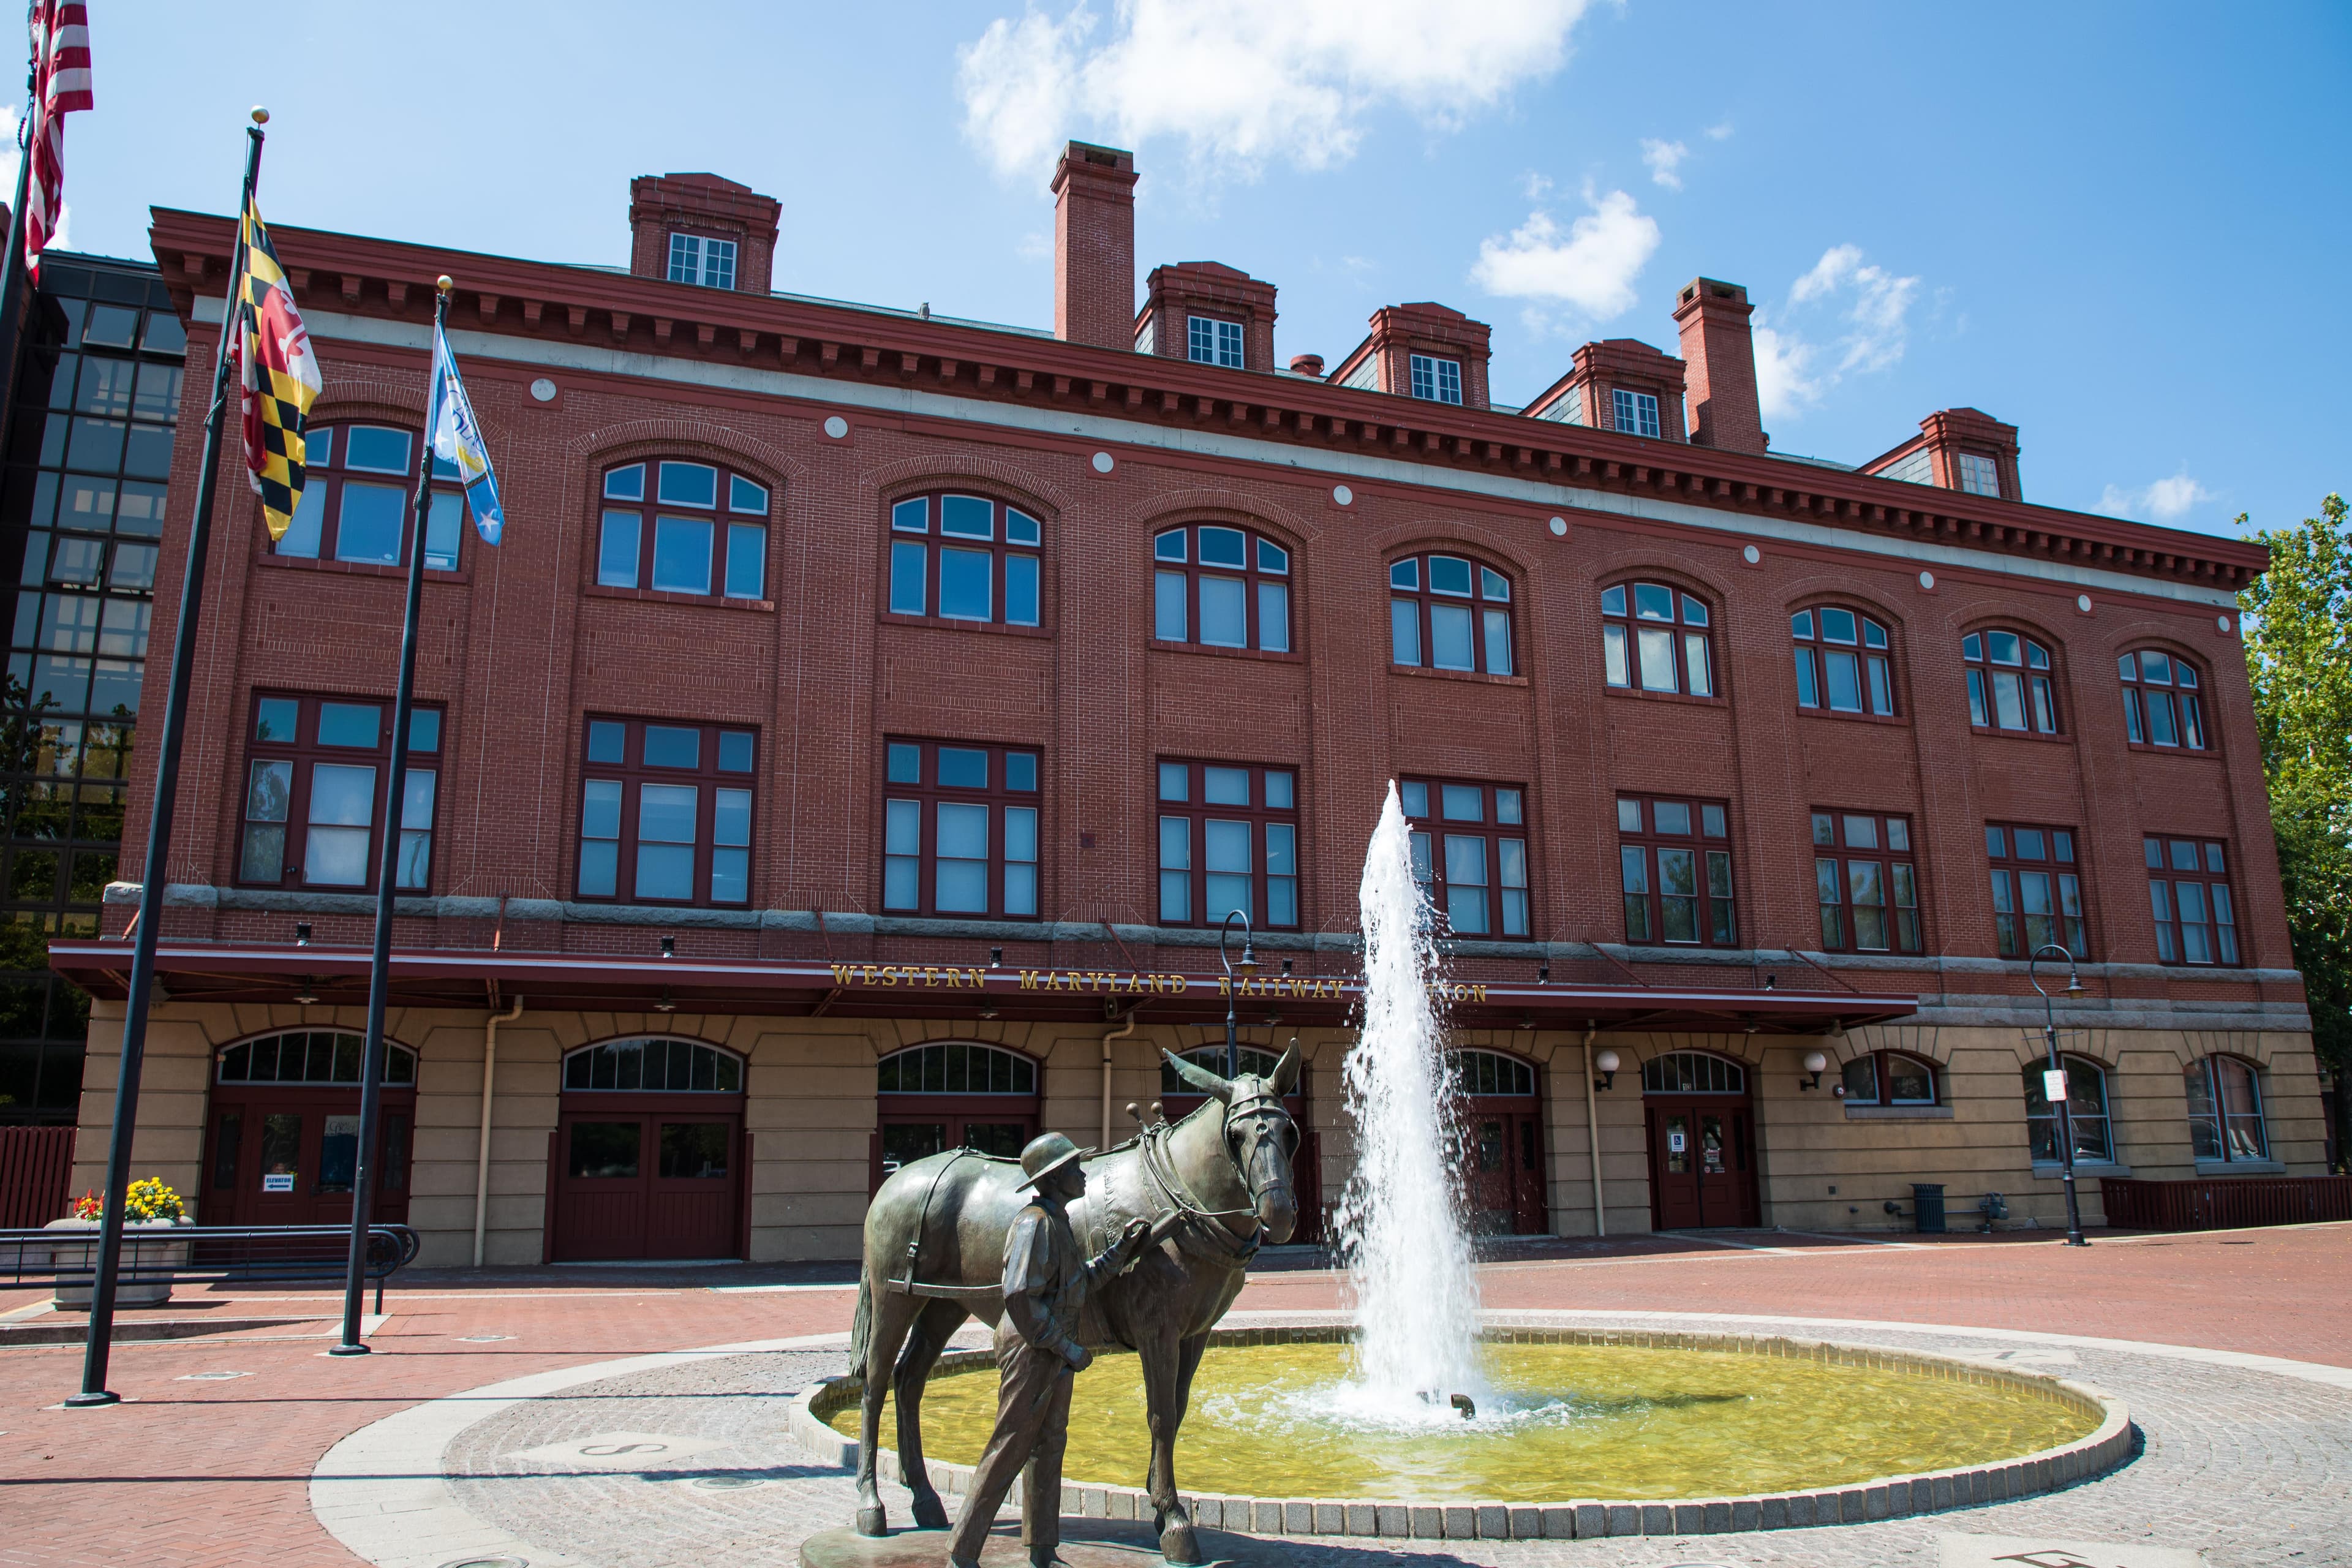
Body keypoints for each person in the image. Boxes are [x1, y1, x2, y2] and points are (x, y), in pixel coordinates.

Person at [946, 1133, 1152, 1568]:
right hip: (1032, 1345)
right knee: (1011, 1445)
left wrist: (1121, 1253)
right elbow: (1020, 1296)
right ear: (1057, 1179)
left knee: (1049, 1443)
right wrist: (1067, 1348)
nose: (1083, 1174)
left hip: (1052, 1345)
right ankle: (961, 1553)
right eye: (1075, 1168)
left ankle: (1042, 1548)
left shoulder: (1057, 1222)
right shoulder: (1033, 1224)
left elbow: (1078, 1284)